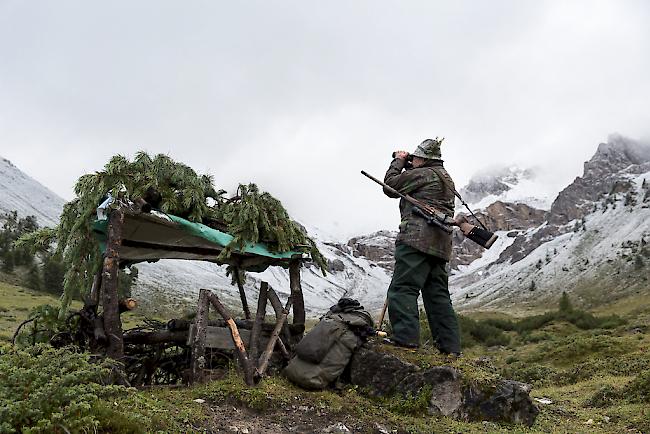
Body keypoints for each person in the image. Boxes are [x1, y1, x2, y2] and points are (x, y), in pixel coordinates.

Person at [382, 138, 461, 355]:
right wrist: (410, 164)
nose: (412, 160)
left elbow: (390, 186)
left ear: (424, 159)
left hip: (416, 240)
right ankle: (450, 348)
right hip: (440, 244)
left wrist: (398, 161)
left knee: (403, 288)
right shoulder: (445, 177)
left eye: (416, 157)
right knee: (437, 296)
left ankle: (405, 341)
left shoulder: (423, 174)